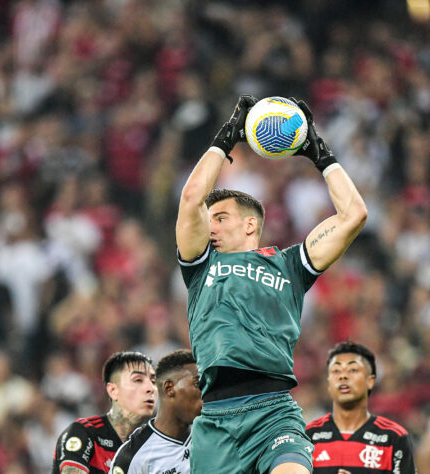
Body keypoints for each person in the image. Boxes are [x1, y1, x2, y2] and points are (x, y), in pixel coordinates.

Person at [175, 95, 368, 474]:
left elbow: (354, 214)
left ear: (250, 225)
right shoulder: (201, 266)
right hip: (215, 421)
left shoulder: (290, 265)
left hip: (273, 412)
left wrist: (320, 154)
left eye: (221, 217)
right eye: (208, 219)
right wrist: (225, 139)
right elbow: (190, 198)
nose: (209, 225)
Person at [306, 342, 417, 473]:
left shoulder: (394, 438)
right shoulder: (308, 436)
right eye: (336, 371)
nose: (343, 376)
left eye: (353, 370)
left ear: (370, 381)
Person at [52, 351, 156, 474]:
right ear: (113, 390)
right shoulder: (85, 432)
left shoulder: (151, 449)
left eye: (153, 381)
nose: (150, 388)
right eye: (138, 380)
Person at [109, 349, 202, 474]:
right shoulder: (133, 457)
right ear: (169, 388)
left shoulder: (213, 435)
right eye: (198, 384)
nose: (205, 391)